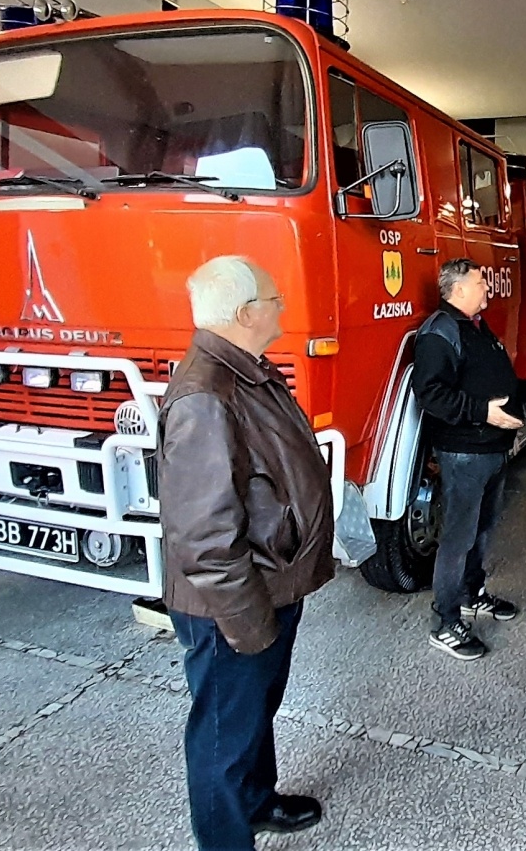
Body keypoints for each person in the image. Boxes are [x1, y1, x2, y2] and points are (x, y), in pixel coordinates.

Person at [158, 256, 335, 850]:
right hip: (232, 603)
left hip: (266, 585)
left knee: (252, 714)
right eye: (275, 297)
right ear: (245, 313)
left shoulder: (243, 372)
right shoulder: (206, 395)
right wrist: (246, 620)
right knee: (221, 738)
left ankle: (258, 803)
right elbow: (203, 537)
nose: (282, 305)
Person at [412, 258, 525, 661]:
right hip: (464, 451)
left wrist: (505, 429)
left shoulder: (474, 325)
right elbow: (430, 394)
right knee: (458, 538)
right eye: (480, 283)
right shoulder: (439, 332)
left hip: (490, 448)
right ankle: (444, 622)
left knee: (482, 529)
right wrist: (483, 413)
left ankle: (471, 595)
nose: (487, 288)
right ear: (458, 290)